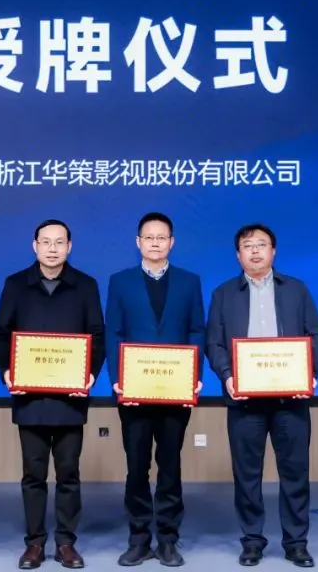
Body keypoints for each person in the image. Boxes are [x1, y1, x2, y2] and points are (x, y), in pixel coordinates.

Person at [205, 223, 318, 569]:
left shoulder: (297, 290)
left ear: (273, 251)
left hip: (290, 400)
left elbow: (315, 336)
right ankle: (252, 541)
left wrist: (309, 372)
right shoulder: (223, 294)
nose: (255, 251)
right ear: (238, 255)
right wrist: (227, 376)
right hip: (244, 402)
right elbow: (214, 343)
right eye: (248, 246)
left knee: (295, 472)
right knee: (247, 475)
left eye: (261, 244)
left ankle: (296, 543)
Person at [0, 219, 106, 570]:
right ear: (35, 246)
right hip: (30, 398)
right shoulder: (16, 284)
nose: (52, 248)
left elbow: (97, 335)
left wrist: (89, 374)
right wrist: (7, 370)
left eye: (59, 242)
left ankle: (66, 543)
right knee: (34, 474)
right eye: (46, 241)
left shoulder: (85, 285)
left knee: (69, 473)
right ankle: (35, 544)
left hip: (71, 397)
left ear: (69, 247)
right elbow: (0, 333)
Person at [105, 212, 205, 567]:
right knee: (136, 467)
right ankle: (138, 539)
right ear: (138, 242)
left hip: (175, 391)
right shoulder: (120, 282)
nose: (155, 243)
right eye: (149, 237)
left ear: (172, 242)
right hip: (133, 391)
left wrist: (194, 374)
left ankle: (167, 539)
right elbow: (114, 332)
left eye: (162, 237)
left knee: (170, 466)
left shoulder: (189, 282)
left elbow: (196, 330)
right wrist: (117, 378)